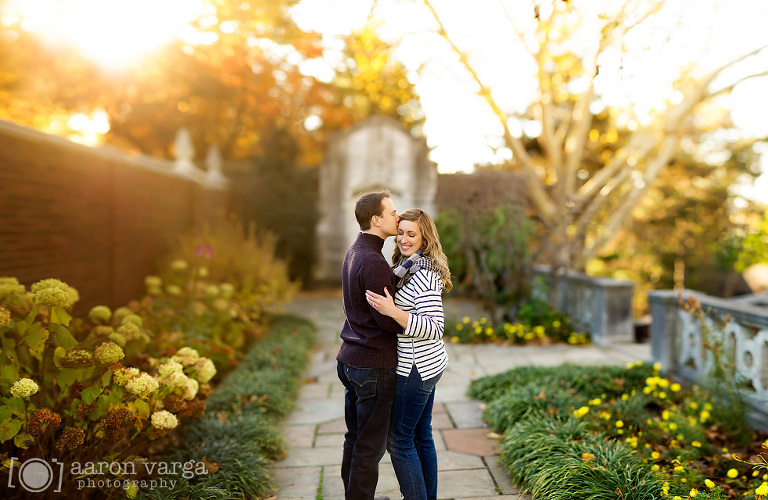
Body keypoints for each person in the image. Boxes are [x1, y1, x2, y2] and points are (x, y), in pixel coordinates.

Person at [365, 208, 452, 500]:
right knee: (421, 435)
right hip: (429, 363)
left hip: (416, 368)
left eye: (411, 234)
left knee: (400, 440)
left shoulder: (423, 275)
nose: (403, 239)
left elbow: (435, 327)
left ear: (424, 237)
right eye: (400, 232)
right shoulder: (409, 265)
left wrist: (393, 312)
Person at [337, 190, 402, 500]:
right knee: (369, 446)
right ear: (377, 220)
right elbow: (387, 322)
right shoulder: (373, 261)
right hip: (373, 364)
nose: (397, 217)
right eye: (392, 213)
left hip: (351, 360)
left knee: (355, 438)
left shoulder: (355, 252)